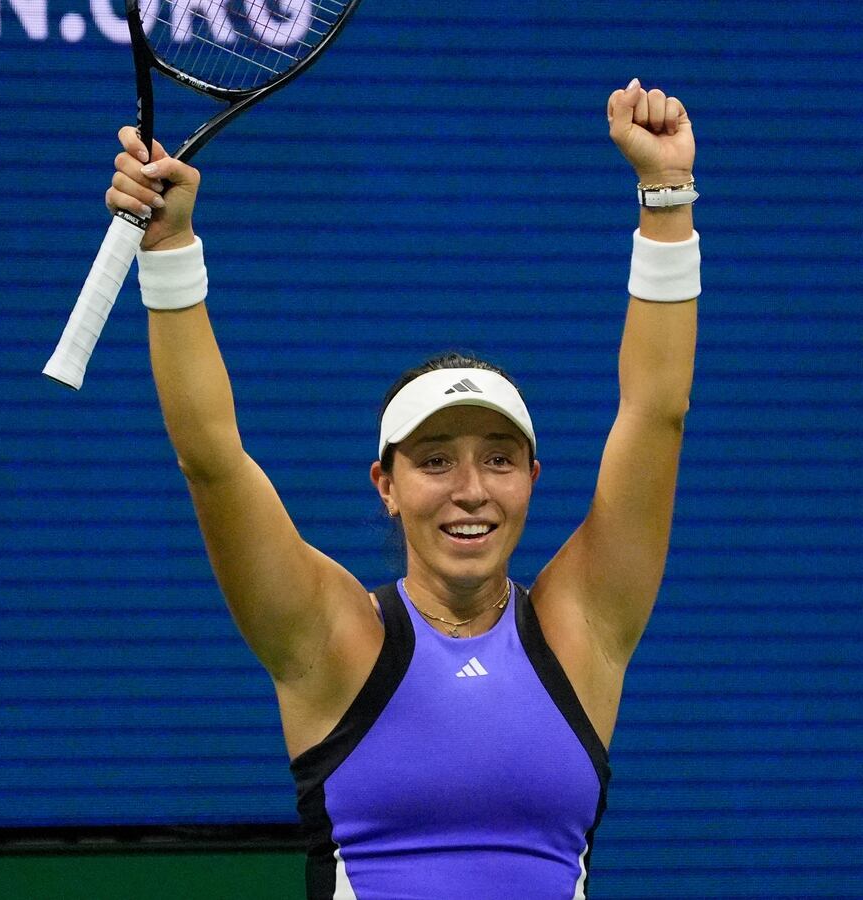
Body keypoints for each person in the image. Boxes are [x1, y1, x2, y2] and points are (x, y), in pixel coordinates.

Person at [104, 77, 698, 899]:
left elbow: (656, 414)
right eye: (435, 461)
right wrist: (170, 248)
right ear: (385, 484)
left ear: (532, 479)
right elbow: (211, 457)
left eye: (498, 459)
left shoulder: (582, 626)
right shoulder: (330, 638)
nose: (471, 490)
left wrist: (667, 196)